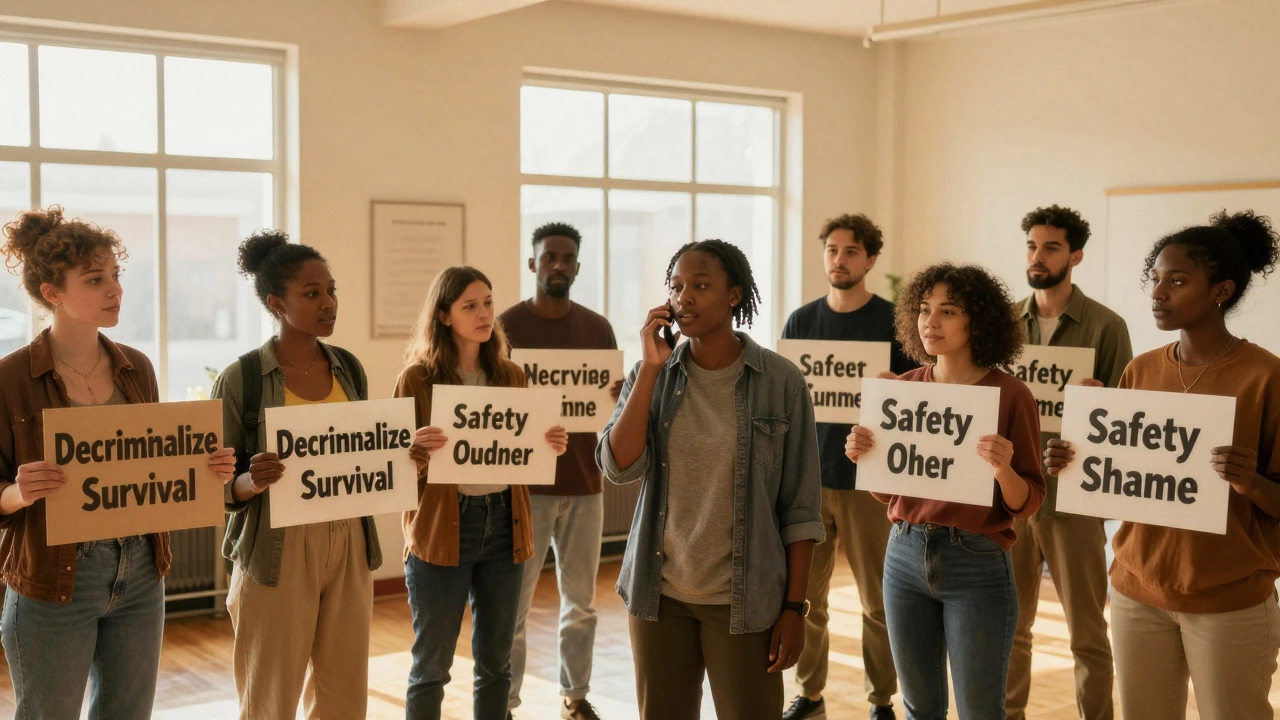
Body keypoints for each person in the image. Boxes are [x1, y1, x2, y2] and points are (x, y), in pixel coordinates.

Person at [0, 206, 235, 719]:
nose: (115, 290)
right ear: (51, 293)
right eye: (95, 279)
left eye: (115, 275)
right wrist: (18, 490)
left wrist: (203, 467)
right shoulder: (10, 377)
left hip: (143, 568)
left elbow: (145, 460)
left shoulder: (137, 367)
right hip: (56, 575)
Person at [1044, 211, 1280, 720]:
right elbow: (1117, 481)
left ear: (1221, 290)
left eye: (1177, 281)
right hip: (1135, 588)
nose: (1158, 293)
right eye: (1155, 279)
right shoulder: (1141, 369)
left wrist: (1251, 482)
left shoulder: (1266, 376)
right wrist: (1073, 459)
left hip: (1229, 599)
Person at [597, 239, 824, 720]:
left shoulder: (781, 382)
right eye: (676, 287)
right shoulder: (652, 375)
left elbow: (801, 510)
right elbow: (618, 467)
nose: (685, 298)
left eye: (701, 286)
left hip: (745, 599)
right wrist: (651, 370)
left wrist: (794, 609)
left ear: (735, 296)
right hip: (658, 595)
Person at [845, 263, 1045, 720]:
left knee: (979, 711)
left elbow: (1028, 501)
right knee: (919, 708)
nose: (930, 322)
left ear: (977, 320)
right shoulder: (903, 389)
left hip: (977, 565)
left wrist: (1003, 469)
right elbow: (891, 495)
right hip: (903, 554)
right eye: (923, 310)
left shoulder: (1011, 394)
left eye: (947, 311)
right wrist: (866, 457)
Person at [212, 230, 382, 720]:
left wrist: (398, 460)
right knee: (271, 697)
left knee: (344, 696)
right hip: (274, 547)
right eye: (312, 294)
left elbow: (360, 451)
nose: (328, 303)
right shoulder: (241, 378)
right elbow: (220, 484)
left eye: (331, 290)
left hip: (348, 539)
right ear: (275, 302)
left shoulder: (348, 367)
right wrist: (252, 480)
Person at [396, 265, 569, 720]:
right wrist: (413, 452)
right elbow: (394, 471)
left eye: (488, 302)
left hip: (504, 527)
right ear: (444, 316)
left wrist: (546, 444)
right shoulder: (417, 379)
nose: (484, 313)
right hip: (441, 531)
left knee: (497, 665)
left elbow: (518, 455)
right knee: (431, 667)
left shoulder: (511, 375)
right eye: (469, 305)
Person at [781, 213, 913, 720]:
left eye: (851, 251)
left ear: (871, 260)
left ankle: (881, 699)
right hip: (809, 482)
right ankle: (810, 694)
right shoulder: (800, 321)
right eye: (832, 250)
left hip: (872, 483)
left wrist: (894, 388)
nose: (840, 259)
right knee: (805, 600)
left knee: (878, 602)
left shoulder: (894, 322)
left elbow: (920, 401)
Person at [1007, 205, 1129, 720]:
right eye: (1032, 245)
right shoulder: (1006, 323)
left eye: (1051, 247)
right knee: (1010, 629)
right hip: (1010, 495)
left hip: (1076, 499)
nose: (1038, 256)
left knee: (1087, 633)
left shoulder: (1106, 326)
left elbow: (1127, 423)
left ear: (1075, 255)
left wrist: (1099, 409)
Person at [501, 222, 621, 720]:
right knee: (514, 608)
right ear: (533, 263)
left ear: (577, 267)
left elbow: (615, 404)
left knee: (582, 603)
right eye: (549, 256)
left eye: (567, 258)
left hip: (585, 484)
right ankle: (505, 703)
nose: (558, 265)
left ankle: (576, 695)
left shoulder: (598, 329)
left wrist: (617, 400)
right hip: (526, 489)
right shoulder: (506, 327)